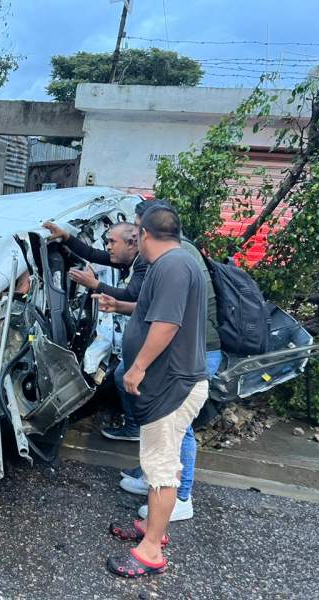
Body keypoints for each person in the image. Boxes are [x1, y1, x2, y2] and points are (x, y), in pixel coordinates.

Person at [101, 206, 208, 579]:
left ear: (144, 235)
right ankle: (152, 528)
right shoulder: (179, 263)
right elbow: (151, 310)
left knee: (161, 468)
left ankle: (150, 553)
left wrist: (138, 366)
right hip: (173, 382)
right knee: (157, 463)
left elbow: (165, 324)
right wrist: (119, 304)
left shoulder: (172, 266)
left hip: (170, 383)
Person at [43, 220, 149, 441]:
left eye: (112, 241)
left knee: (128, 379)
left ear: (132, 243)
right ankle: (137, 426)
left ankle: (140, 428)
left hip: (154, 342)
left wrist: (95, 285)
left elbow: (131, 296)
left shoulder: (143, 264)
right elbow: (92, 254)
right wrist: (66, 236)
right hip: (141, 339)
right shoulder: (129, 259)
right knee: (122, 376)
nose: (108, 247)